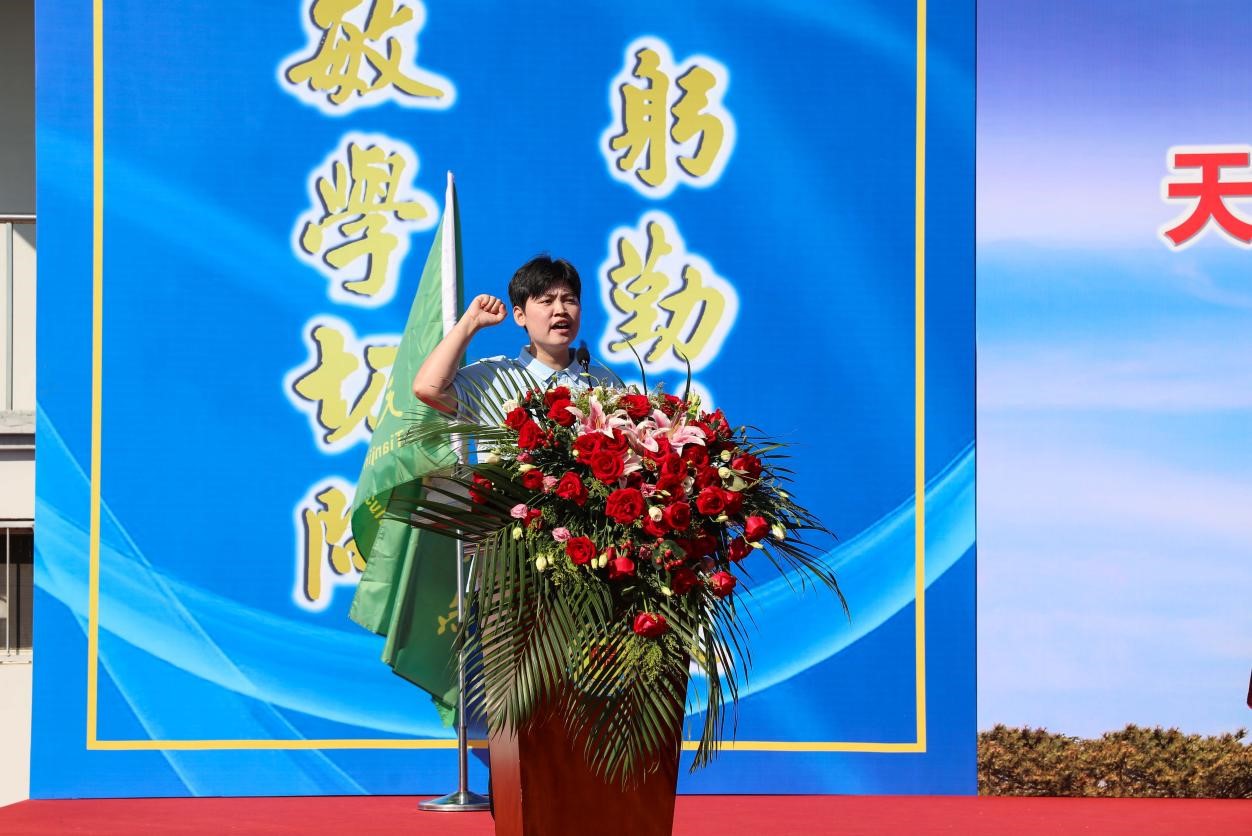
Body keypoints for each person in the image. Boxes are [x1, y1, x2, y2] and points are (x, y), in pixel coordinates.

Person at [413, 255, 622, 417]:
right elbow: (428, 389)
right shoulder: (494, 378)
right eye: (547, 301)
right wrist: (470, 322)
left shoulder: (605, 383)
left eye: (569, 300)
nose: (561, 310)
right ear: (520, 316)